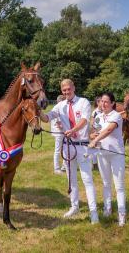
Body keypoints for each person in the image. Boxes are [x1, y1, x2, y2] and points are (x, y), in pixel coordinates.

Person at [40, 79, 99, 224]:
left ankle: (94, 212)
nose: (67, 92)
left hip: (82, 145)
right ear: (62, 91)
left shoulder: (83, 102)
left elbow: (84, 120)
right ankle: (74, 206)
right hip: (67, 147)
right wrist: (37, 109)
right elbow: (47, 118)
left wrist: (72, 130)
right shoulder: (60, 106)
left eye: (68, 89)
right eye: (64, 90)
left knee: (87, 180)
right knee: (71, 179)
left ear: (73, 87)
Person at [88, 92, 126, 227]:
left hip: (117, 154)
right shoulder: (98, 116)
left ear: (112, 103)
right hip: (102, 154)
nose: (103, 104)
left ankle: (122, 214)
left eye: (106, 102)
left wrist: (96, 139)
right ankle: (107, 209)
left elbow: (109, 130)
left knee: (119, 186)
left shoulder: (116, 116)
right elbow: (93, 132)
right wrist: (92, 136)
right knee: (106, 184)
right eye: (101, 101)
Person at [51, 94, 67, 174]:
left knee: (64, 149)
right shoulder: (57, 108)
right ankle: (56, 168)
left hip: (62, 132)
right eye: (64, 100)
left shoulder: (59, 108)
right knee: (57, 150)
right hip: (59, 132)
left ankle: (64, 166)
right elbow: (59, 124)